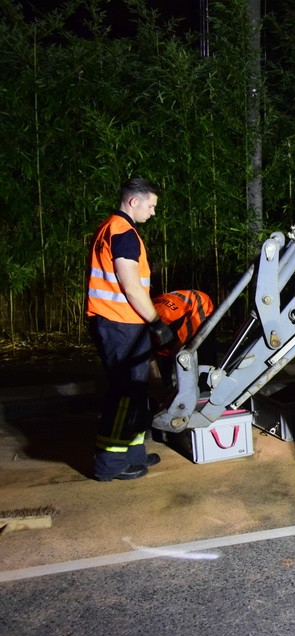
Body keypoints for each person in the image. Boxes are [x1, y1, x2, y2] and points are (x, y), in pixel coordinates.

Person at [86, 177, 175, 482]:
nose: (153, 212)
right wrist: (157, 322)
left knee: (135, 391)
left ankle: (132, 453)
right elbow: (132, 287)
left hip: (118, 322)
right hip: (120, 322)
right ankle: (110, 464)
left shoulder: (109, 228)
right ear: (133, 201)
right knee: (126, 393)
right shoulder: (123, 233)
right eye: (150, 205)